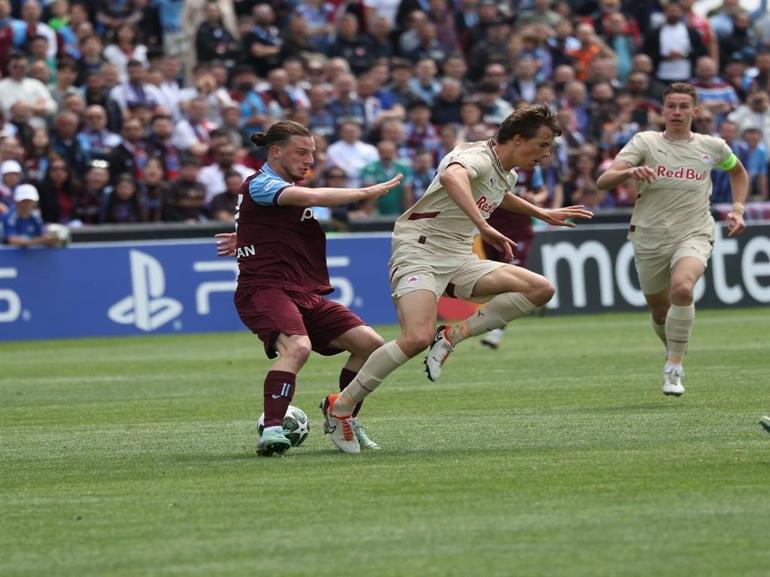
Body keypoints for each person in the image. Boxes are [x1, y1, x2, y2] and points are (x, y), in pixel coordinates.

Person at [320, 105, 593, 453]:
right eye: (542, 145)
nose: (546, 154)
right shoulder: (473, 154)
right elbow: (453, 177)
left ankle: (452, 335)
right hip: (418, 249)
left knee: (541, 288)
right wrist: (483, 224)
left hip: (459, 257)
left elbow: (498, 193)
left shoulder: (506, 173)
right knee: (415, 337)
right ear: (518, 139)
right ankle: (340, 408)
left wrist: (540, 211)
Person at [214, 120, 403, 456]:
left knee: (371, 345)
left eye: (312, 153)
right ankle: (271, 430)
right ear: (275, 152)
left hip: (302, 292)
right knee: (297, 347)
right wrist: (364, 192)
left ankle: (341, 412)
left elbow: (274, 222)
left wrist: (245, 235)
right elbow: (313, 196)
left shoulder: (276, 188)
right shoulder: (262, 183)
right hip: (264, 289)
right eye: (301, 152)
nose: (309, 161)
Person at [597, 82, 748, 397]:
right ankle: (674, 346)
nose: (677, 112)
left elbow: (738, 172)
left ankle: (674, 367)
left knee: (683, 287)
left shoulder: (713, 147)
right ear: (662, 110)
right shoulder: (645, 142)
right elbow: (603, 181)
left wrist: (737, 209)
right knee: (660, 313)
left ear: (695, 111)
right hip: (650, 234)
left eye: (683, 106)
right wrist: (630, 172)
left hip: (694, 231)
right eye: (671, 106)